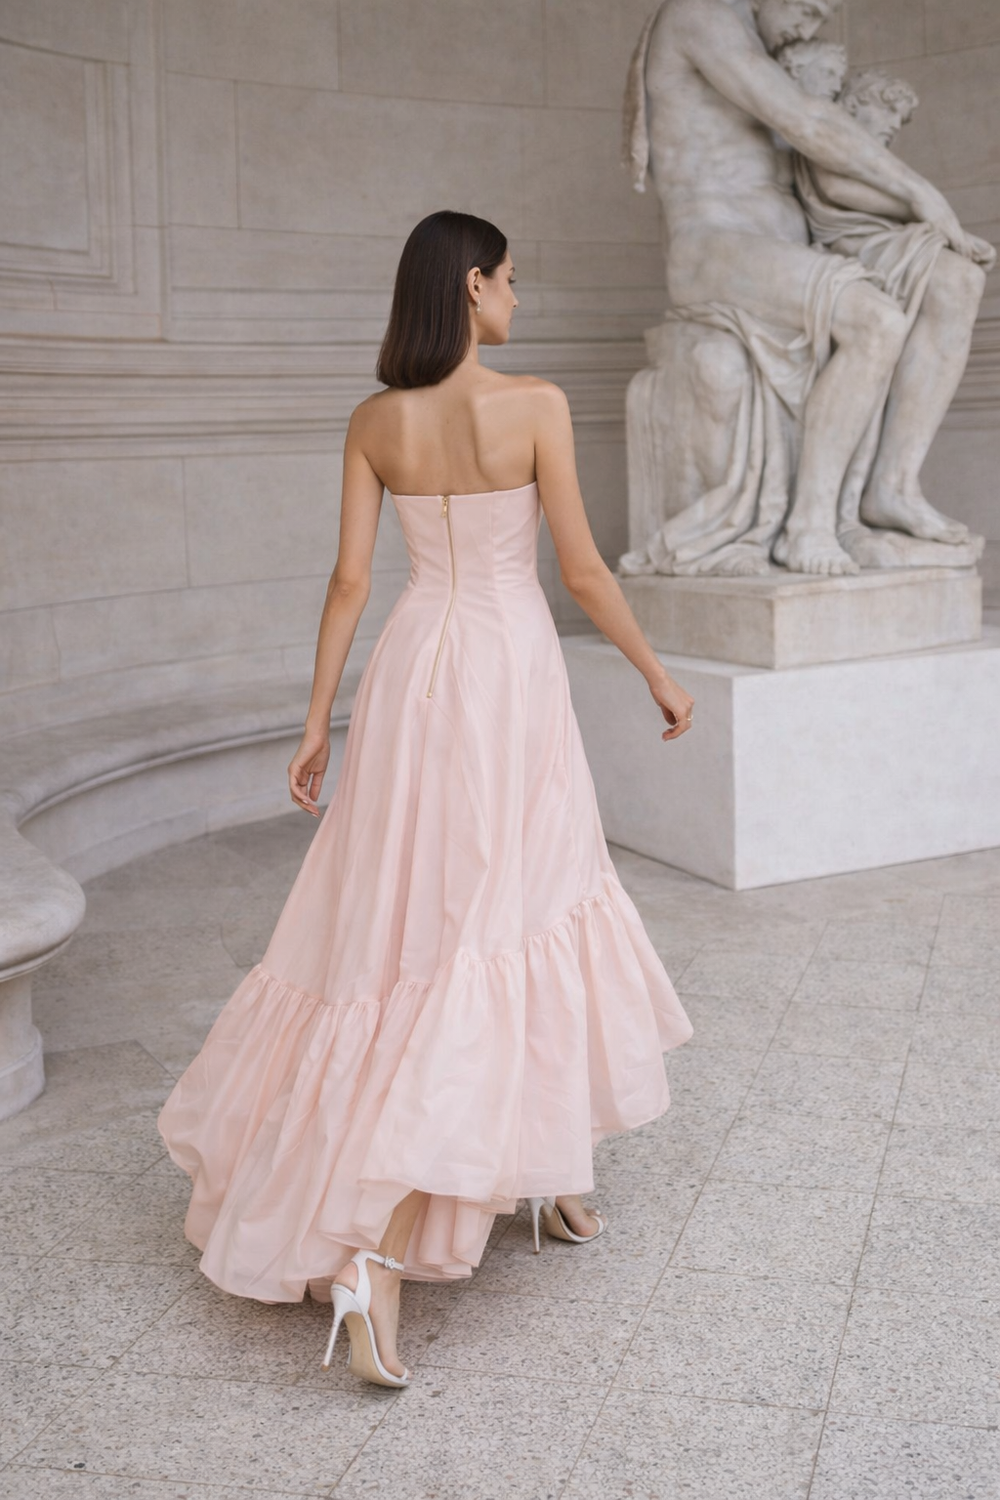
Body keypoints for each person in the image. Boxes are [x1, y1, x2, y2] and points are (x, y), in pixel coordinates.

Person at [157, 210, 695, 1389]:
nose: (517, 299)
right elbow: (583, 569)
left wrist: (315, 722)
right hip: (505, 673)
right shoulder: (535, 404)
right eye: (507, 280)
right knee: (517, 910)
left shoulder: (374, 422)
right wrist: (656, 673)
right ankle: (382, 1249)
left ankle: (550, 1183)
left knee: (421, 918)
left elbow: (353, 581)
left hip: (411, 673)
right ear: (469, 286)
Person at [619, 0, 993, 578]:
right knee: (875, 321)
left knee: (955, 281)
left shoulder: (763, 43)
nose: (811, 27)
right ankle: (809, 525)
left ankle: (891, 486)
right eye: (811, 7)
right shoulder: (701, 16)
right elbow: (806, 123)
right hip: (714, 248)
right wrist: (922, 195)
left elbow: (818, 153)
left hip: (794, 251)